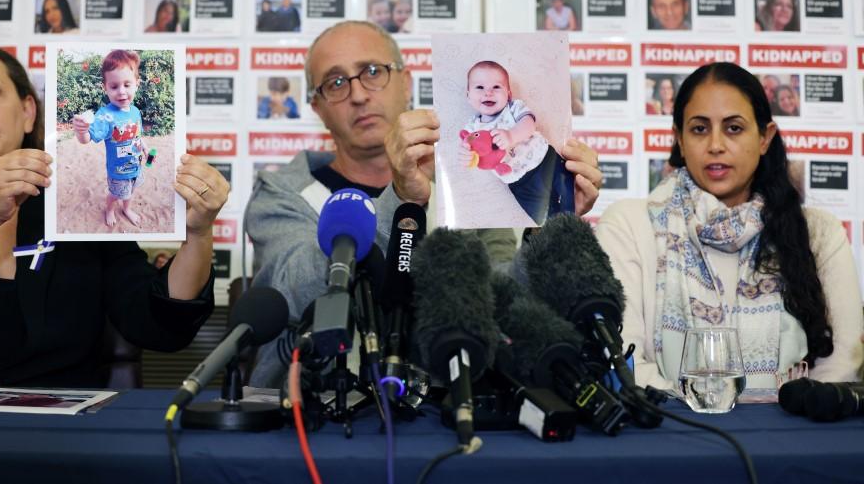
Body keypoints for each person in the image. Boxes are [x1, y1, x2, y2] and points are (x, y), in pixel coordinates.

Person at [244, 20, 604, 387]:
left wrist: (550, 220)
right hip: (312, 410)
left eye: (372, 72)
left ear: (406, 82)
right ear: (317, 107)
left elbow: (503, 299)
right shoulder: (282, 192)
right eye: (336, 83)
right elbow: (294, 291)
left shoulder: (463, 185)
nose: (358, 95)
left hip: (442, 411)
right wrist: (401, 199)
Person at [0, 45, 225, 386]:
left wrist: (199, 234)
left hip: (64, 427)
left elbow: (157, 324)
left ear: (28, 112)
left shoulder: (77, 205)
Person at [596, 62, 862, 392]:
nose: (716, 145)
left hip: (791, 436)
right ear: (679, 139)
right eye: (699, 129)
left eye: (734, 128)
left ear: (765, 138)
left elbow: (841, 363)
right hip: (669, 435)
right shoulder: (630, 226)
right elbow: (626, 362)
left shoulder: (819, 233)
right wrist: (701, 416)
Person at [457, 60, 551, 221]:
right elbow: (468, 150)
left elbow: (529, 123)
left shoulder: (514, 108)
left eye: (496, 87)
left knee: (568, 197)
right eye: (479, 87)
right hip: (519, 181)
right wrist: (465, 156)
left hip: (545, 159)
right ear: (468, 95)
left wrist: (511, 135)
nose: (488, 93)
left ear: (508, 94)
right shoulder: (473, 129)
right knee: (542, 218)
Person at [72, 50, 147, 228]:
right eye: (114, 86)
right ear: (105, 87)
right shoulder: (105, 116)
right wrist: (81, 131)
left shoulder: (135, 111)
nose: (121, 92)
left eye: (127, 85)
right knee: (116, 194)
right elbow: (87, 138)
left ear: (137, 84)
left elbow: (137, 134)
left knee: (131, 191)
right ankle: (110, 210)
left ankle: (127, 209)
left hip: (136, 165)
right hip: (118, 172)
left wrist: (144, 146)